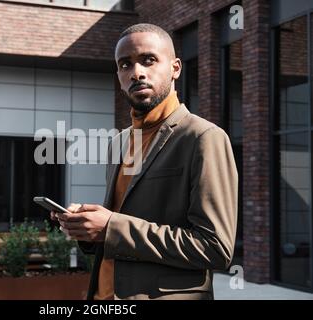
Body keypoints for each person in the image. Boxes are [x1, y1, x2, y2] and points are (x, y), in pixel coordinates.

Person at [50, 23, 238, 300]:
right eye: (125, 64)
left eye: (148, 60)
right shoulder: (119, 143)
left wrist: (111, 226)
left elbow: (215, 248)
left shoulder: (203, 137)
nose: (136, 72)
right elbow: (120, 226)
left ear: (175, 68)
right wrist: (86, 227)